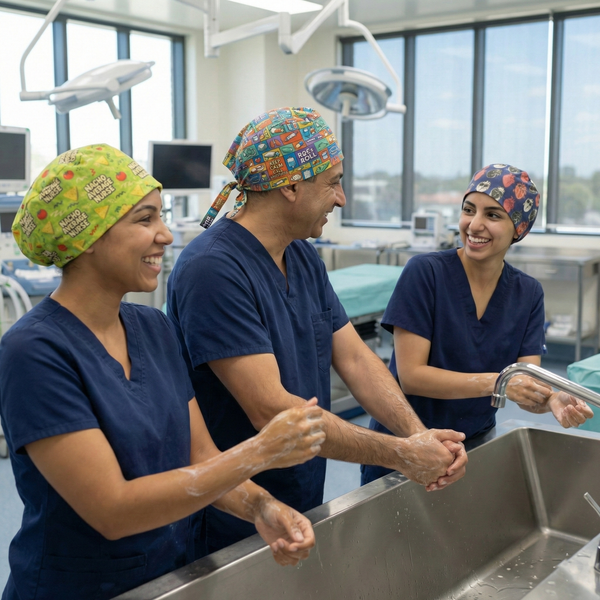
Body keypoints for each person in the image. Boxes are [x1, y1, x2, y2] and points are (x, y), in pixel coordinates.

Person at [0, 144, 328, 600]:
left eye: (162, 217)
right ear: (89, 237)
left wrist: (262, 507)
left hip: (171, 577)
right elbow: (111, 509)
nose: (167, 235)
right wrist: (260, 450)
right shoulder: (34, 352)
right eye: (145, 219)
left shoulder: (152, 328)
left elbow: (200, 455)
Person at [167, 106, 468, 558]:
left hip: (300, 488)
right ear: (289, 185)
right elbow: (272, 410)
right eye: (332, 182)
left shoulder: (302, 256)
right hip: (236, 507)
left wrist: (416, 436)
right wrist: (402, 456)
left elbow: (355, 358)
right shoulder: (213, 269)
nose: (342, 198)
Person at [361, 164, 594, 485]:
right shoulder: (425, 273)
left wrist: (552, 398)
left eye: (493, 215)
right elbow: (412, 376)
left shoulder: (527, 293)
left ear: (518, 228)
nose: (475, 224)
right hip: (406, 444)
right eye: (468, 210)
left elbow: (525, 381)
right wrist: (499, 382)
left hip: (473, 447)